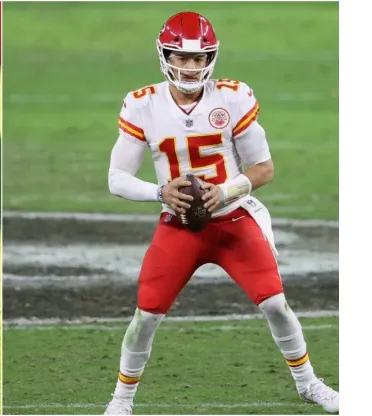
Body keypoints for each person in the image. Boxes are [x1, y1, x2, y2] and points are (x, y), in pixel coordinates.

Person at [104, 11, 338, 415]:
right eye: (182, 57)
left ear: (211, 58)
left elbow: (263, 169)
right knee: (146, 315)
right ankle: (121, 400)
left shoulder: (233, 96)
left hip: (233, 219)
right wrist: (161, 192)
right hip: (178, 227)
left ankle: (308, 383)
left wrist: (224, 191)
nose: (191, 67)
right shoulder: (143, 104)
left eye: (199, 58)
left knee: (275, 304)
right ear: (165, 56)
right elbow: (116, 178)